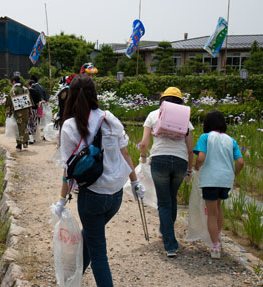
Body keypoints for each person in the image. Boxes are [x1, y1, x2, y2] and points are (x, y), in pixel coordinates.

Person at [54, 74, 145, 287]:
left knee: (99, 255)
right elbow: (126, 155)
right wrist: (134, 182)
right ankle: (72, 280)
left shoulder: (69, 126)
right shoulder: (109, 118)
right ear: (94, 95)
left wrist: (61, 200)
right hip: (115, 196)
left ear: (71, 96)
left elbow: (68, 170)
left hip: (91, 198)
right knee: (91, 236)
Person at [139, 87, 194, 257]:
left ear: (162, 100)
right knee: (171, 198)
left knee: (163, 202)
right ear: (180, 101)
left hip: (160, 160)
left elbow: (143, 143)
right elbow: (190, 149)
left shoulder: (153, 115)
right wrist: (189, 170)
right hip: (180, 161)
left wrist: (142, 157)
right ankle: (165, 230)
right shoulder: (186, 118)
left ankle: (170, 245)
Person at [193, 110, 244, 259]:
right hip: (225, 179)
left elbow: (201, 157)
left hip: (210, 179)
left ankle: (215, 246)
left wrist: (196, 167)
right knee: (219, 207)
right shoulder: (231, 140)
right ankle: (218, 236)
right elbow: (240, 161)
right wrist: (234, 174)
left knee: (211, 213)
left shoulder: (205, 137)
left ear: (207, 124)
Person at [5, 76, 32, 151]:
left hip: (17, 112)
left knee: (18, 128)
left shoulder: (13, 90)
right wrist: (30, 111)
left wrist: (7, 112)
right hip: (26, 111)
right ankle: (25, 141)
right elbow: (29, 101)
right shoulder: (25, 89)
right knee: (25, 126)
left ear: (13, 81)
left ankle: (19, 145)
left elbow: (9, 102)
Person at [27, 80, 41, 144]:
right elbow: (38, 103)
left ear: (29, 85)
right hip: (35, 109)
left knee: (28, 123)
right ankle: (33, 137)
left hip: (28, 109)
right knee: (34, 123)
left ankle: (30, 138)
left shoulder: (26, 91)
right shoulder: (37, 92)